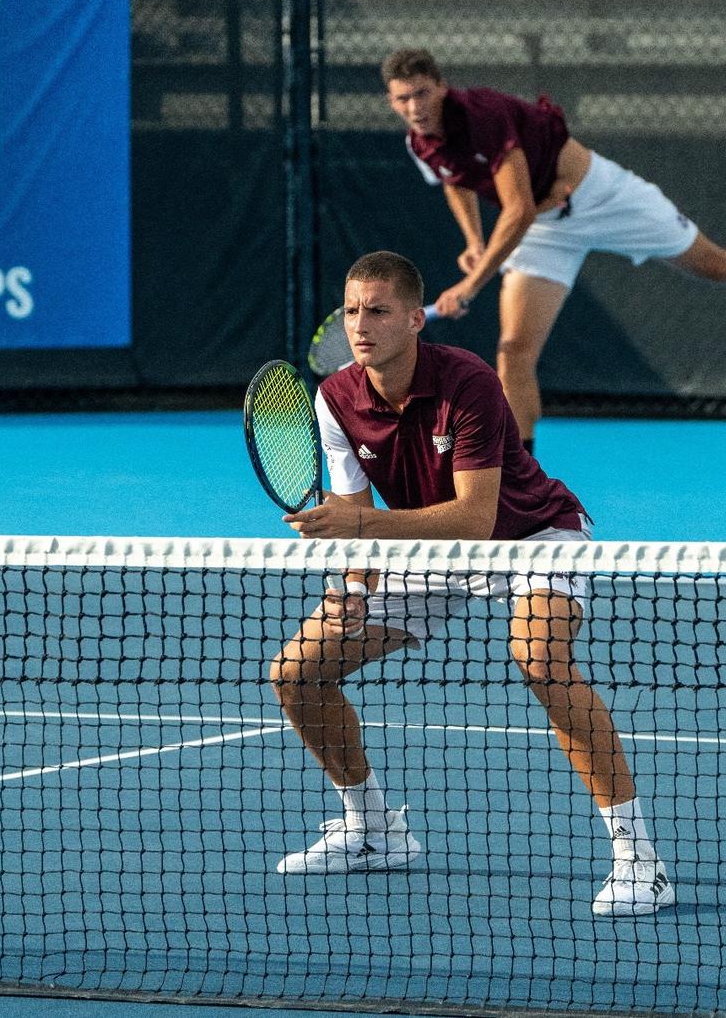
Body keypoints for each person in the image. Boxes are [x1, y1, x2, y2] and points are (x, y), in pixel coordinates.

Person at [268, 249, 673, 917]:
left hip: (528, 535)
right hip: (423, 548)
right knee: (296, 671)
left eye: (377, 311)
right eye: (351, 311)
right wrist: (354, 587)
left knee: (542, 659)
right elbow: (355, 519)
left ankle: (639, 858)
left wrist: (362, 527)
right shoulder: (336, 397)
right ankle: (373, 830)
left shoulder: (468, 382)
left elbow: (474, 517)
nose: (360, 325)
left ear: (414, 319)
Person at [382, 47, 726, 454]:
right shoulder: (420, 141)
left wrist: (473, 282)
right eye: (402, 99)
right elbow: (455, 182)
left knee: (715, 266)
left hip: (601, 196)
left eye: (422, 93)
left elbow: (519, 209)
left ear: (442, 86)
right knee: (514, 351)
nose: (414, 107)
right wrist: (472, 241)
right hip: (549, 227)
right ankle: (521, 481)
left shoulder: (482, 117)